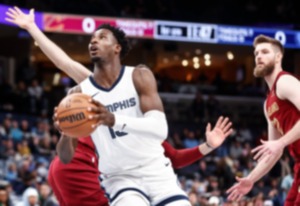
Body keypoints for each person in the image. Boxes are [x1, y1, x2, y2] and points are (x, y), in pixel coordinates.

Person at [5, 7, 233, 206]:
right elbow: (63, 62)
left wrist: (208, 146)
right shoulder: (83, 93)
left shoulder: (139, 79)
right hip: (111, 175)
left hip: (155, 173)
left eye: (101, 37)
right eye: (91, 38)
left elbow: (165, 139)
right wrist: (32, 28)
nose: (93, 41)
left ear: (117, 48)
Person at [226, 34, 300, 206]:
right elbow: (273, 152)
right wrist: (251, 179)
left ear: (278, 57)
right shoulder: (268, 104)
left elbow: (278, 145)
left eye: (265, 52)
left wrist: (281, 142)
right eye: (256, 53)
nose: (259, 56)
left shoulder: (285, 81)